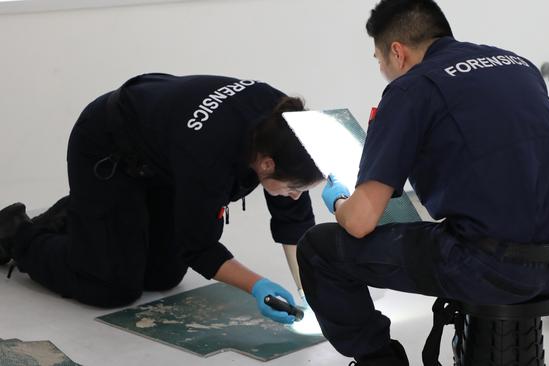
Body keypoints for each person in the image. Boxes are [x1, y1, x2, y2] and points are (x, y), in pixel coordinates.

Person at [297, 0, 549, 364]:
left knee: (318, 250)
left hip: (490, 266)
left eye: (378, 60)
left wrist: (340, 202)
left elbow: (361, 223)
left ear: (397, 52)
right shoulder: (515, 63)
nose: (382, 69)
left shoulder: (411, 89)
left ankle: (380, 361)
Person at [0, 73, 323, 324]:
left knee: (164, 275)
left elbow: (292, 219)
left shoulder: (283, 130)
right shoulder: (210, 158)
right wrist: (258, 286)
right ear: (266, 164)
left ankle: (85, 214)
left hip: (162, 160)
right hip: (107, 147)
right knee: (112, 286)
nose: (295, 196)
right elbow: (198, 247)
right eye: (294, 187)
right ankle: (18, 233)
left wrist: (306, 292)